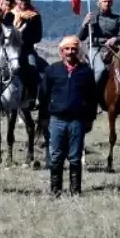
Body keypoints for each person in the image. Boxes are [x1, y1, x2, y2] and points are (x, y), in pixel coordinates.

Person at [41, 36, 97, 197]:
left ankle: (75, 191)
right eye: (67, 49)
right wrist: (43, 117)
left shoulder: (86, 71)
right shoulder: (52, 70)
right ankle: (55, 191)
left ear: (77, 51)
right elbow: (43, 95)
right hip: (56, 119)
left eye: (73, 49)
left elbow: (92, 97)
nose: (70, 52)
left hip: (77, 121)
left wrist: (90, 118)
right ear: (61, 51)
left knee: (75, 156)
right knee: (56, 156)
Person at [78, 0, 120, 85]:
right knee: (101, 69)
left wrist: (116, 39)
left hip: (113, 49)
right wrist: (84, 24)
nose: (107, 3)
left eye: (109, 1)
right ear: (99, 3)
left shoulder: (117, 18)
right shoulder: (92, 17)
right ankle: (93, 93)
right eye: (104, 1)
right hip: (96, 48)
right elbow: (81, 37)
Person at [11, 0, 44, 104]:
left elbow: (38, 36)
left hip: (26, 49)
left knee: (33, 66)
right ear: (17, 1)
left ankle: (34, 96)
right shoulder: (10, 14)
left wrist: (24, 40)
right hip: (11, 49)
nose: (23, 4)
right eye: (21, 1)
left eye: (26, 1)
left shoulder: (35, 16)